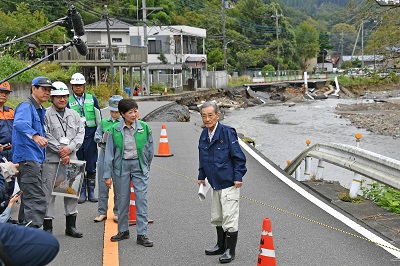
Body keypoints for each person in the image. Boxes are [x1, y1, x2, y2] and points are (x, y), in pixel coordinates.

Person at [197, 101, 247, 263]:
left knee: (230, 217)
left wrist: (238, 177)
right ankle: (220, 245)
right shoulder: (204, 134)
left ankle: (230, 251)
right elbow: (202, 158)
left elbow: (239, 157)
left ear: (218, 115)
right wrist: (201, 175)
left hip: (229, 183)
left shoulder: (227, 132)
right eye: (204, 116)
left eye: (210, 115)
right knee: (217, 216)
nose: (207, 119)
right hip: (214, 183)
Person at [104, 99, 154, 246]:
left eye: (135, 111)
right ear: (122, 114)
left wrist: (146, 166)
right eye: (130, 112)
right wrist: (107, 175)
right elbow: (109, 154)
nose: (134, 115)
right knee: (122, 199)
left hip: (139, 166)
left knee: (141, 200)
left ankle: (142, 234)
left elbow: (150, 149)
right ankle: (123, 230)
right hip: (121, 167)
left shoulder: (144, 127)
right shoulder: (114, 130)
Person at [42, 81, 85, 238]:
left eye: (65, 96)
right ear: (52, 98)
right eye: (59, 96)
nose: (62, 99)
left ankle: (71, 227)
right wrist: (61, 151)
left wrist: (70, 149)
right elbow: (45, 135)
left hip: (71, 158)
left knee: (71, 192)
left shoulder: (73, 114)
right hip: (52, 160)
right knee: (48, 194)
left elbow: (81, 133)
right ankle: (47, 227)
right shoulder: (45, 114)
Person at [12, 76, 54, 228]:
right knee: (35, 198)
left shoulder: (38, 109)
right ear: (33, 88)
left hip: (34, 158)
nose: (47, 93)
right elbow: (19, 123)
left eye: (49, 90)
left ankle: (24, 233)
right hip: (28, 158)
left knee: (29, 197)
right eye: (43, 89)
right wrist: (35, 136)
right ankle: (31, 236)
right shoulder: (26, 106)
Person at [67, 72, 101, 204]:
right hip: (76, 138)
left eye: (80, 85)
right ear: (72, 86)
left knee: (91, 164)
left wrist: (100, 136)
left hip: (91, 136)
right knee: (78, 163)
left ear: (84, 85)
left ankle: (91, 191)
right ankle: (81, 191)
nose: (78, 87)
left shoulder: (92, 99)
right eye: (75, 85)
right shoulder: (68, 100)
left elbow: (99, 118)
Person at [93, 95, 123, 223]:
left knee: (119, 184)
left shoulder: (123, 123)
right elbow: (97, 134)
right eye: (112, 111)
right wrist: (100, 139)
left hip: (118, 156)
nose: (114, 114)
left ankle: (117, 212)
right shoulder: (104, 122)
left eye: (117, 111)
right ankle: (102, 212)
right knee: (102, 182)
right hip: (104, 154)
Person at [0, 82, 16, 213]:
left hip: (11, 152)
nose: (3, 95)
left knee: (10, 183)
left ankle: (6, 212)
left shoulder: (11, 111)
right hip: (0, 153)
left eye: (6, 93)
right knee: (1, 185)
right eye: (1, 92)